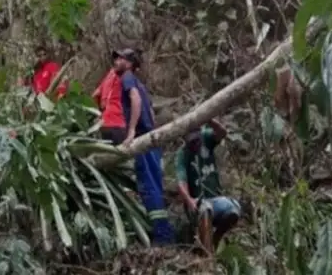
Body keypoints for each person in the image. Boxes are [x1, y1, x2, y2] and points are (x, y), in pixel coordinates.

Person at [113, 47, 175, 244]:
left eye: (120, 58)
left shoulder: (127, 78)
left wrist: (131, 132)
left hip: (143, 140)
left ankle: (161, 238)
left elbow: (136, 100)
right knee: (155, 186)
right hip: (151, 139)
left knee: (149, 187)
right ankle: (165, 234)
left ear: (129, 64)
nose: (116, 61)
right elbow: (150, 109)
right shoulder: (140, 83)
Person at [175, 120, 241, 254]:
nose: (195, 144)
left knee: (234, 210)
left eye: (197, 140)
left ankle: (216, 239)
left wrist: (209, 120)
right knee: (205, 209)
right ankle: (207, 253)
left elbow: (222, 132)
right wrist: (189, 200)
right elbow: (181, 181)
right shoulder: (182, 154)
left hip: (215, 199)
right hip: (198, 203)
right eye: (192, 142)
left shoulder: (207, 138)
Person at [92, 56, 126, 144]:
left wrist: (98, 113)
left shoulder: (109, 75)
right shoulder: (127, 77)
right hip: (118, 123)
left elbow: (95, 95)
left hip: (104, 122)